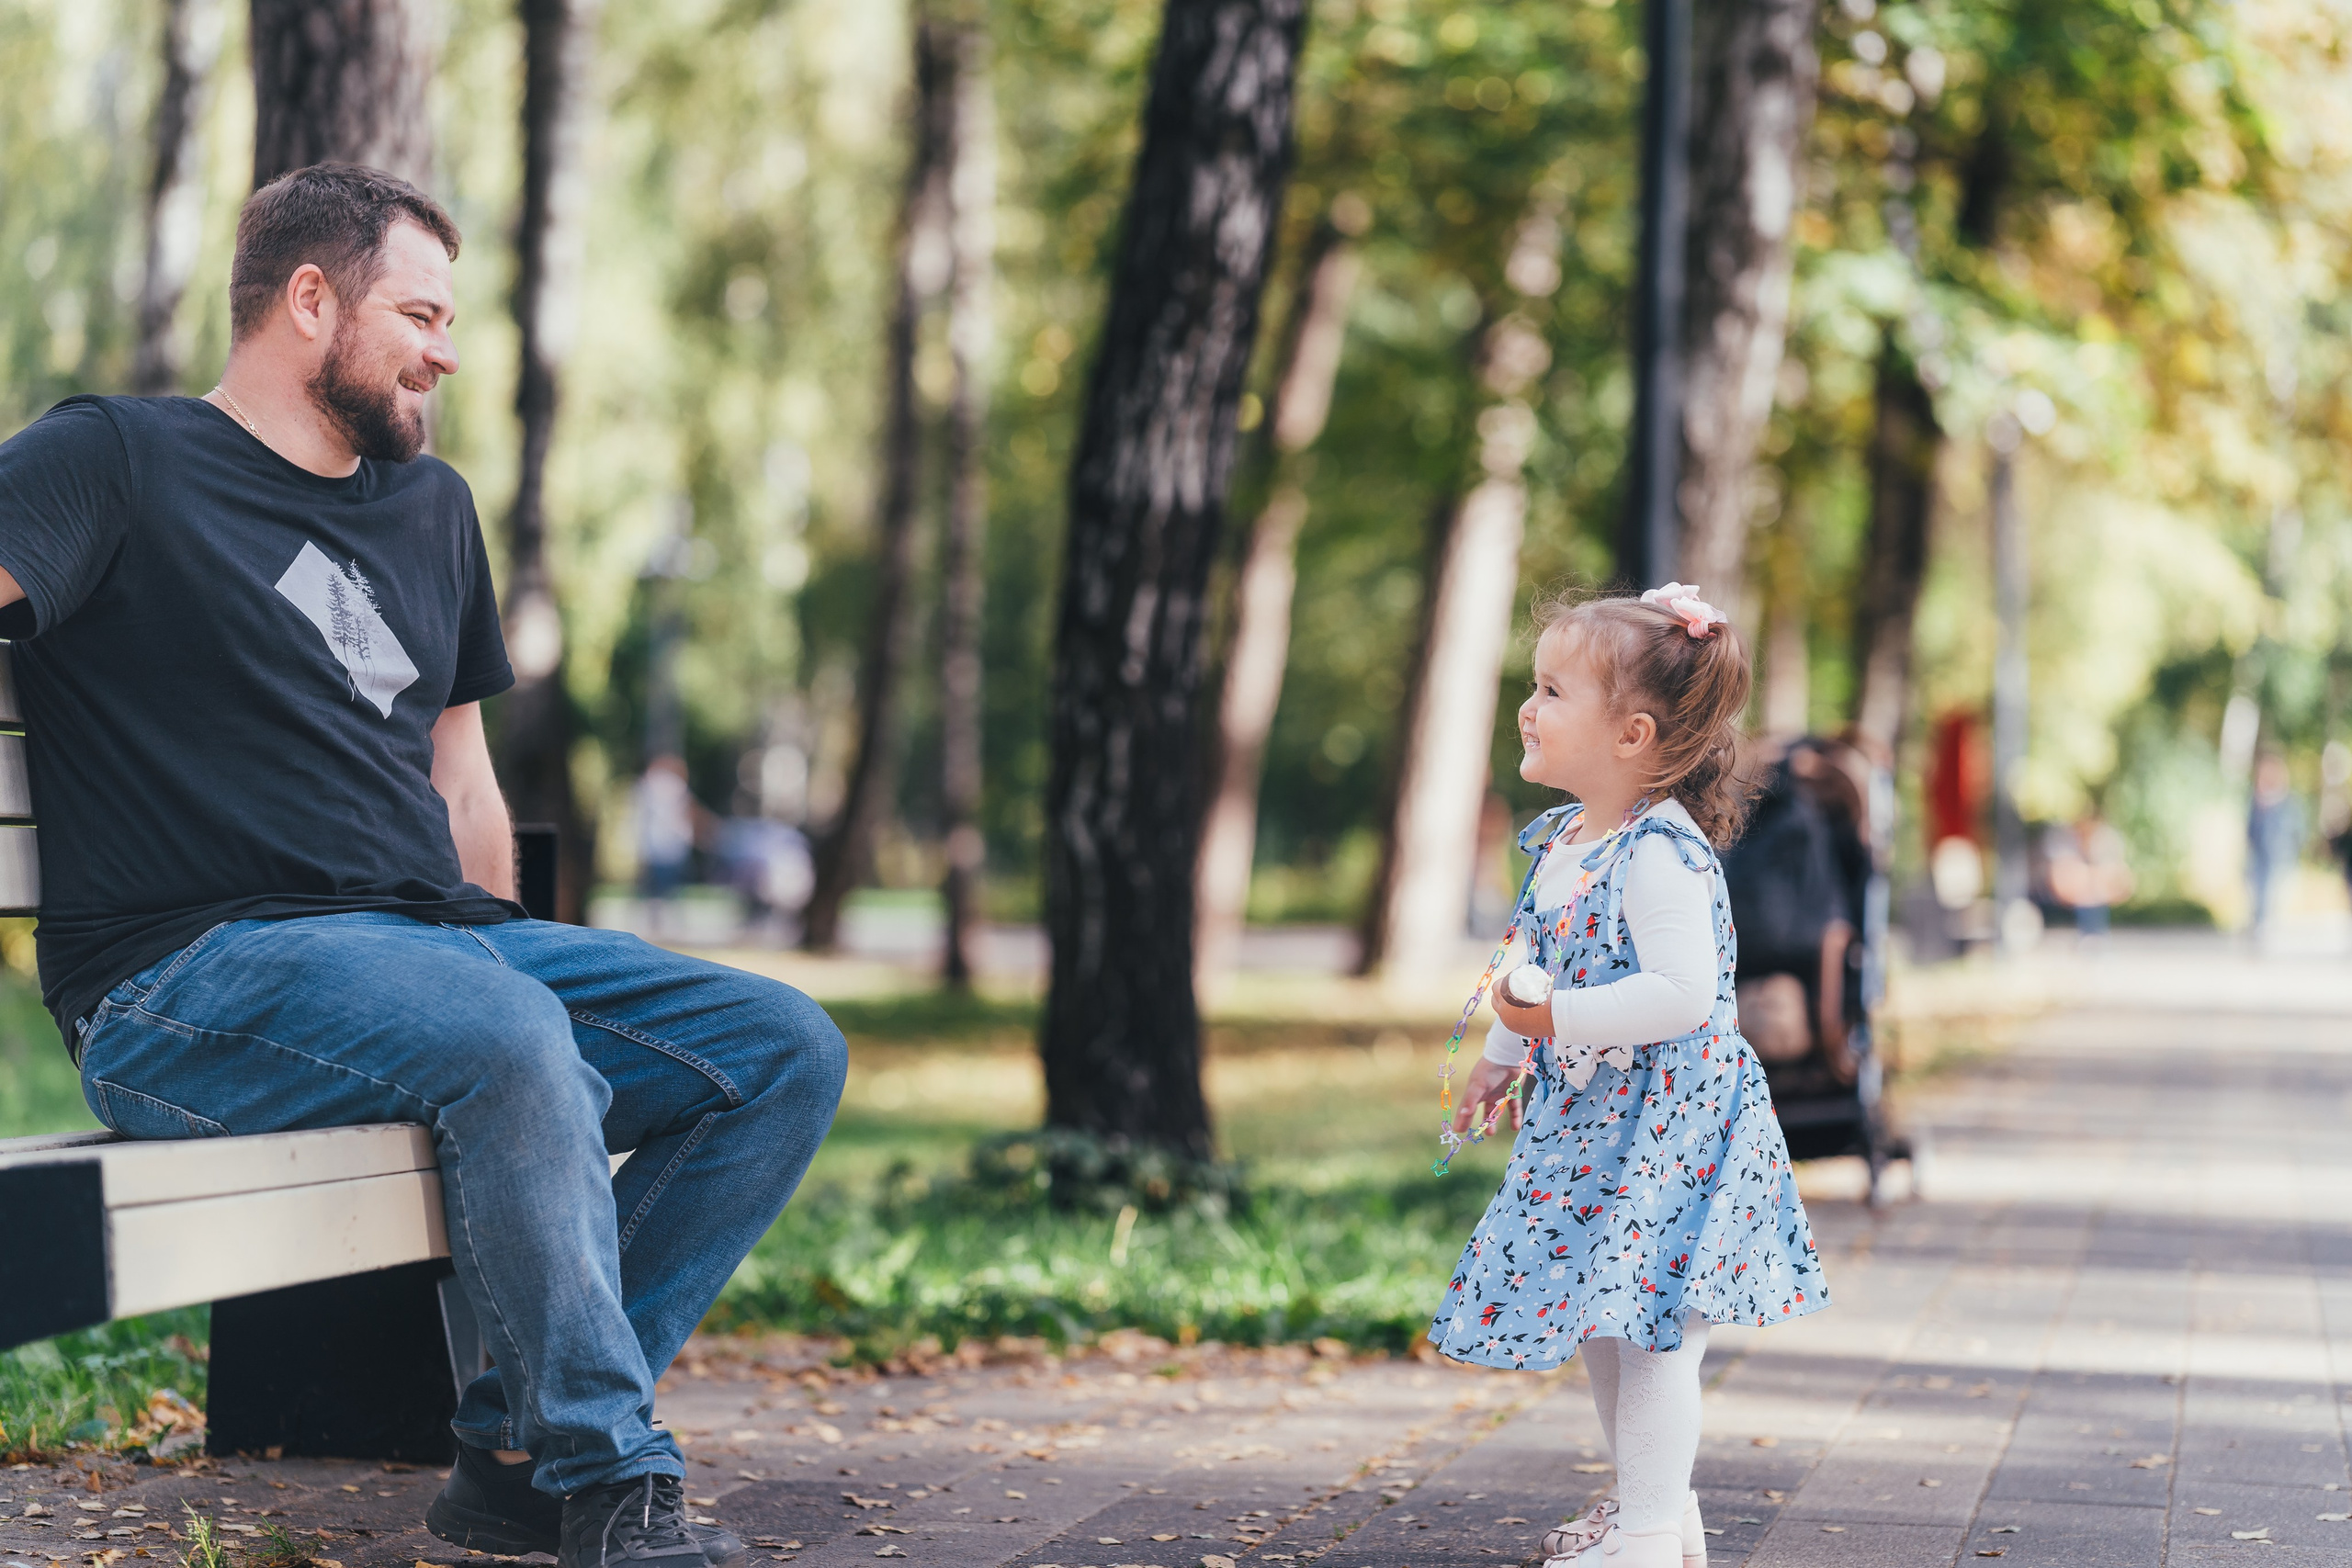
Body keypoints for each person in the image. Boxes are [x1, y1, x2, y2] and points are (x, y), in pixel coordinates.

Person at [0, 164, 846, 1568]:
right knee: (508, 1035)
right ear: (309, 298)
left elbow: (460, 773)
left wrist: (502, 946)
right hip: (182, 978)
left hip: (438, 953)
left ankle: (517, 1443)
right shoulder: (117, 458)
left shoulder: (431, 507)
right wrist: (506, 1018)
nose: (446, 350)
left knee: (780, 1045)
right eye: (422, 312)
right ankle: (607, 1474)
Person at [1437, 585, 1827, 1568]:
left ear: (1631, 734)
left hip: (1672, 1132)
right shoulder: (1566, 844)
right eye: (1534, 686)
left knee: (1651, 1335)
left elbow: (1685, 995)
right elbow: (1534, 963)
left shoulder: (1658, 852)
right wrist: (1500, 1055)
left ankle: (1648, 1536)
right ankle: (1655, 1514)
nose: (1528, 707)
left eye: (1553, 691)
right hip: (1591, 1127)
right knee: (1603, 1328)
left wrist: (1550, 1019)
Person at [2246, 752, 2304, 937]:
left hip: (2282, 858)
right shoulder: (2255, 801)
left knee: (2278, 899)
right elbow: (2250, 829)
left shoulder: (2289, 802)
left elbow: (2298, 830)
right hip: (2259, 859)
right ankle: (2260, 927)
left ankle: (2273, 931)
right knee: (2259, 897)